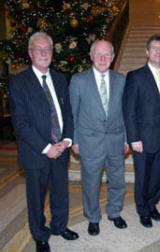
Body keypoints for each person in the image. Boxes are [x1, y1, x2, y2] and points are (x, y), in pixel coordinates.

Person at [9, 32, 78, 252]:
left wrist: (66, 140)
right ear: (30, 53)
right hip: (36, 152)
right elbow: (20, 124)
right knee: (36, 198)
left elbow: (67, 113)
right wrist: (47, 147)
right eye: (39, 49)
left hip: (61, 148)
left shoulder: (59, 78)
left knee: (60, 192)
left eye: (47, 49)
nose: (44, 53)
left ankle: (59, 226)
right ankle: (39, 235)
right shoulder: (19, 82)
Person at [69, 40, 128, 236]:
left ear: (112, 57)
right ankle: (93, 217)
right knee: (91, 183)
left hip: (116, 140)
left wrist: (127, 138)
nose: (103, 59)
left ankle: (114, 212)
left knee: (118, 180)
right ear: (91, 56)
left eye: (107, 55)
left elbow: (126, 113)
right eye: (99, 54)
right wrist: (75, 140)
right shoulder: (78, 80)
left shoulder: (121, 80)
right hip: (89, 141)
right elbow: (73, 113)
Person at [123, 34, 160, 228]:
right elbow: (128, 110)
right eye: (153, 48)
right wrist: (133, 137)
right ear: (147, 52)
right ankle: (143, 210)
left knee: (158, 177)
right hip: (143, 139)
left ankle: (152, 205)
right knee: (143, 177)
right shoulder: (135, 76)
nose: (157, 52)